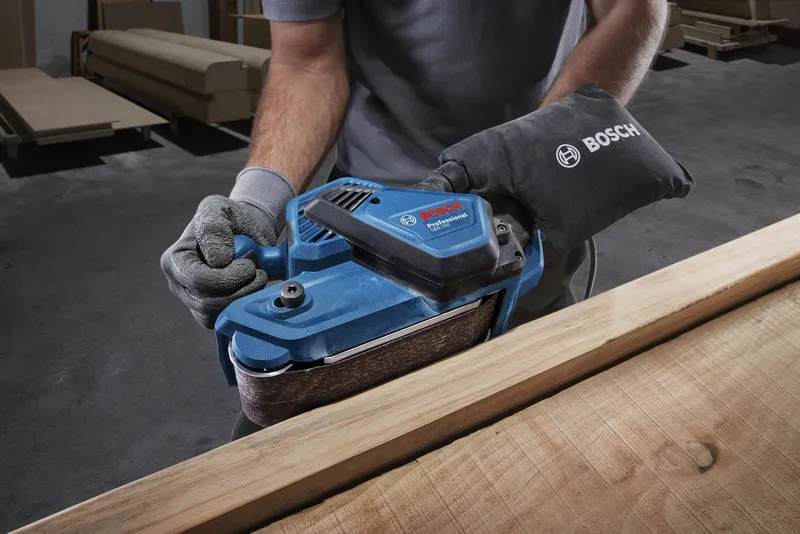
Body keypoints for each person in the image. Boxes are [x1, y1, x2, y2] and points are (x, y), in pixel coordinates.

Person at [161, 0, 669, 437]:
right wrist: (255, 201)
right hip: (364, 222)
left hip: (529, 213)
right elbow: (308, 58)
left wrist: (529, 162)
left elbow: (633, 8)